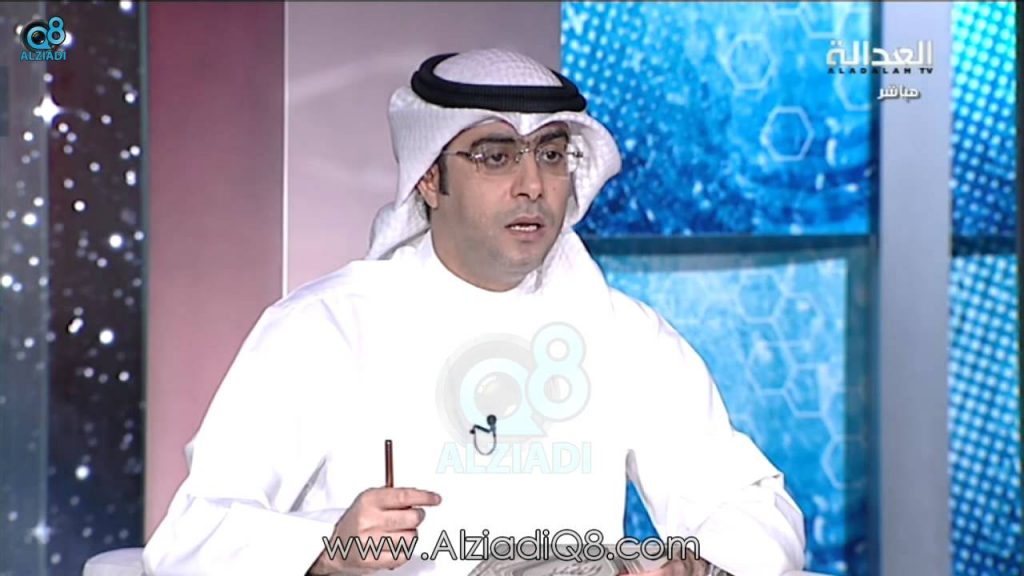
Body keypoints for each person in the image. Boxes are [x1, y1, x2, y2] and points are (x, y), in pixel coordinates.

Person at [142, 49, 806, 576]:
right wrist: (327, 550)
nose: (532, 184)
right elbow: (191, 536)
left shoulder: (623, 332)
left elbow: (750, 501)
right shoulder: (327, 327)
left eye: (551, 154)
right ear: (430, 179)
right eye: (495, 157)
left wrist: (695, 564)